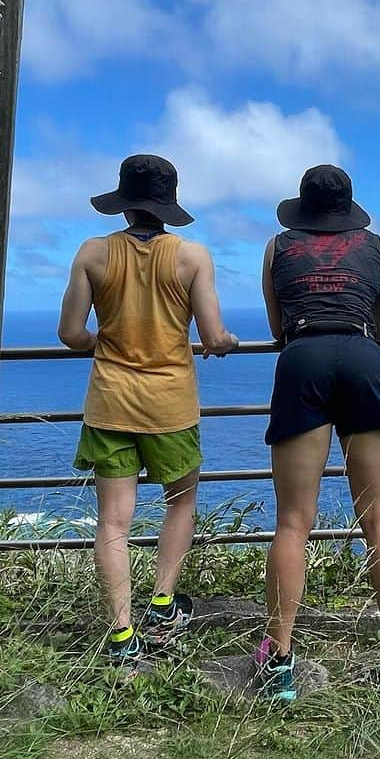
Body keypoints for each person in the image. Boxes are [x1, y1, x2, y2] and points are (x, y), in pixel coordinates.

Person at [58, 154, 238, 662]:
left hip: (110, 401)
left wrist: (102, 342)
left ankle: (120, 634)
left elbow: (71, 333)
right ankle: (163, 602)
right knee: (180, 501)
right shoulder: (191, 257)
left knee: (113, 522)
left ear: (124, 204)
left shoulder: (93, 254)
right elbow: (212, 334)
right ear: (167, 204)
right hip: (171, 405)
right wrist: (225, 341)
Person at [256, 164, 380, 699]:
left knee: (293, 523)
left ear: (302, 206)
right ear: (349, 208)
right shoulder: (377, 246)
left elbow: (277, 327)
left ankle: (279, 657)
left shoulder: (277, 247)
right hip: (361, 356)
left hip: (302, 358)